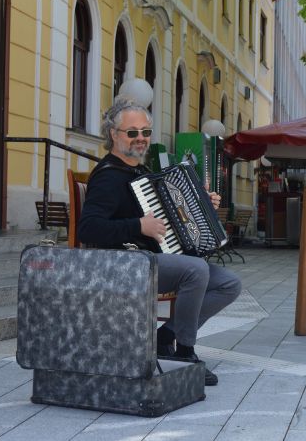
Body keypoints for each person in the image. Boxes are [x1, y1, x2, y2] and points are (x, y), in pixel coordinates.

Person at [78, 99, 242, 387]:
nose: (140, 138)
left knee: (229, 283)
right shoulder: (108, 177)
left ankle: (165, 337)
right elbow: (89, 229)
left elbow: (173, 217)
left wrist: (204, 205)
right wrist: (138, 225)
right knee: (195, 270)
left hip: (151, 259)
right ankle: (185, 351)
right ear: (114, 135)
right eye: (132, 132)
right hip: (124, 264)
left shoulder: (141, 172)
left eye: (146, 132)